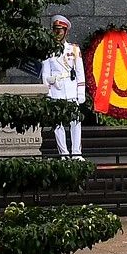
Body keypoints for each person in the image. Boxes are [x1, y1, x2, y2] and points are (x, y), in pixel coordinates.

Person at [41, 14, 86, 157]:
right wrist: (47, 92)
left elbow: (80, 72)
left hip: (71, 91)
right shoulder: (48, 51)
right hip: (56, 91)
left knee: (75, 123)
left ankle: (77, 153)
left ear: (66, 31)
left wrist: (81, 93)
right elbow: (45, 75)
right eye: (55, 30)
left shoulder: (73, 49)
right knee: (58, 125)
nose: (57, 33)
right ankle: (64, 154)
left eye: (60, 30)